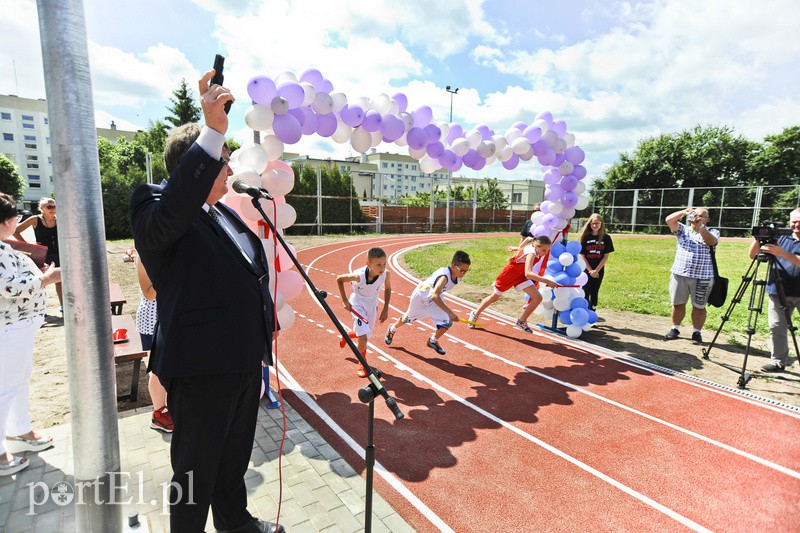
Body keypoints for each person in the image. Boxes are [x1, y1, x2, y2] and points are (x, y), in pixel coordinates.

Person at [129, 71, 281, 533]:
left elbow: (247, 274)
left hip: (241, 364)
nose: (232, 170)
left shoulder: (224, 217)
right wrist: (213, 130)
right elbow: (172, 213)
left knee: (231, 465)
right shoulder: (153, 205)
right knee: (194, 475)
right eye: (223, 161)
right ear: (197, 163)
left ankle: (236, 524)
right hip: (200, 369)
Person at [0, 192, 60, 476]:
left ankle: (19, 432)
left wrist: (39, 272)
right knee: (5, 388)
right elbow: (9, 288)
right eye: (14, 217)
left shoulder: (6, 245)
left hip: (20, 325)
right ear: (6, 221)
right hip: (9, 328)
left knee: (19, 381)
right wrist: (46, 278)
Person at [384, 250, 471, 355]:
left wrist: (448, 314)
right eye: (462, 270)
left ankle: (432, 341)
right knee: (407, 318)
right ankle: (392, 328)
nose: (464, 273)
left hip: (434, 297)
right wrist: (450, 313)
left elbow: (436, 295)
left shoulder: (457, 276)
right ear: (453, 265)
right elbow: (435, 296)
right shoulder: (444, 277)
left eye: (466, 271)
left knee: (447, 323)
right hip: (421, 297)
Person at [469, 236, 558, 333]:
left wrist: (518, 248)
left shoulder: (534, 247)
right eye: (544, 250)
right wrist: (547, 281)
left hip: (520, 277)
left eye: (547, 251)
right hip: (509, 275)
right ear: (536, 246)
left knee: (538, 298)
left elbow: (528, 240)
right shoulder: (531, 253)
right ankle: (475, 313)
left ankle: (521, 321)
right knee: (494, 297)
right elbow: (528, 273)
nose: (545, 253)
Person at [748, 209, 800, 372]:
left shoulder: (782, 244)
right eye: (794, 221)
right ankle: (778, 361)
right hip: (778, 289)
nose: (796, 225)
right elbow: (752, 255)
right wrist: (759, 238)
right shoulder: (779, 236)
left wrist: (782, 253)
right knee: (777, 327)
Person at [664, 207, 719, 344]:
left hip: (703, 276)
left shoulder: (712, 231)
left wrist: (700, 227)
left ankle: (696, 332)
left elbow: (711, 241)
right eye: (695, 215)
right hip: (680, 273)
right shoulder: (683, 230)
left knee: (699, 306)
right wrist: (684, 212)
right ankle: (675, 328)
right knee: (678, 303)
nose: (697, 218)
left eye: (701, 216)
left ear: (707, 219)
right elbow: (669, 220)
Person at [336, 247, 392, 377]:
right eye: (378, 264)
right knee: (363, 339)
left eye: (384, 264)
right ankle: (362, 362)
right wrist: (344, 300)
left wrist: (386, 308)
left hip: (373, 304)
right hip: (358, 304)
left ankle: (347, 335)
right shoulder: (358, 276)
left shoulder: (385, 274)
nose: (382, 267)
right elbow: (339, 279)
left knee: (365, 335)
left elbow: (388, 289)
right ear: (368, 264)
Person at [134, 256, 173, 432]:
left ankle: (166, 409)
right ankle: (158, 413)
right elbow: (149, 293)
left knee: (168, 366)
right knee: (157, 368)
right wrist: (172, 273)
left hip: (168, 317)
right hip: (152, 320)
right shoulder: (143, 255)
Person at [13, 197, 63, 312]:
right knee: (40, 282)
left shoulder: (59, 219)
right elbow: (15, 231)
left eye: (54, 206)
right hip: (42, 255)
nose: (53, 209)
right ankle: (40, 308)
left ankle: (63, 306)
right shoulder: (35, 219)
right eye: (49, 206)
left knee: (60, 281)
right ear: (41, 208)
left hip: (58, 253)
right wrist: (27, 246)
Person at [578, 214, 614, 311]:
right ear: (589, 224)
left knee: (595, 291)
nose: (595, 225)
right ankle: (584, 311)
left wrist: (596, 270)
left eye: (597, 223)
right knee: (586, 290)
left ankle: (593, 311)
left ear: (601, 224)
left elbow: (605, 256)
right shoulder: (585, 237)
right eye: (593, 223)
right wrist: (590, 270)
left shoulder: (606, 238)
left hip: (598, 269)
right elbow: (582, 255)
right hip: (587, 269)